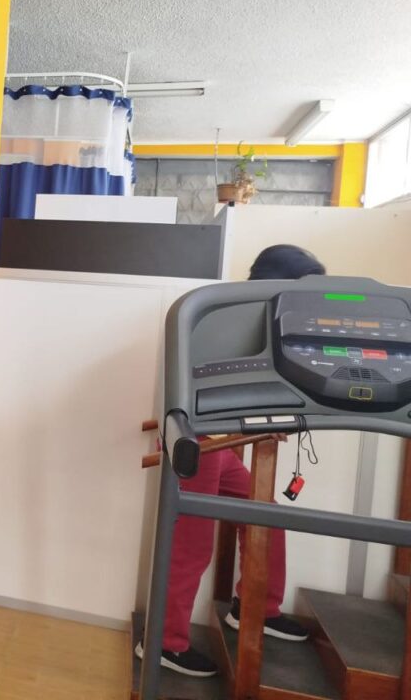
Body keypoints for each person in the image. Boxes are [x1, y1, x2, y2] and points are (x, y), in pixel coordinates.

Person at [136, 244, 325, 677]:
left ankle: (257, 606)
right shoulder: (220, 315)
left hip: (222, 444)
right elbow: (205, 383)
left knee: (265, 516)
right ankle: (163, 642)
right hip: (197, 440)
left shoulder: (265, 319)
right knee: (192, 544)